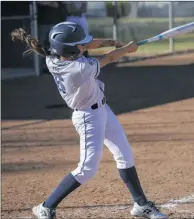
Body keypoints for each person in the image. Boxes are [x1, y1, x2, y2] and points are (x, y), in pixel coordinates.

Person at [11, 21, 168, 219]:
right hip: (88, 117)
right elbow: (109, 57)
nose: (85, 46)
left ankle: (141, 204)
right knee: (87, 169)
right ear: (71, 50)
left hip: (102, 109)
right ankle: (46, 206)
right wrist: (128, 49)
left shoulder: (54, 56)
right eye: (80, 45)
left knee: (125, 154)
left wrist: (114, 42)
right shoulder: (79, 68)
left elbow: (90, 44)